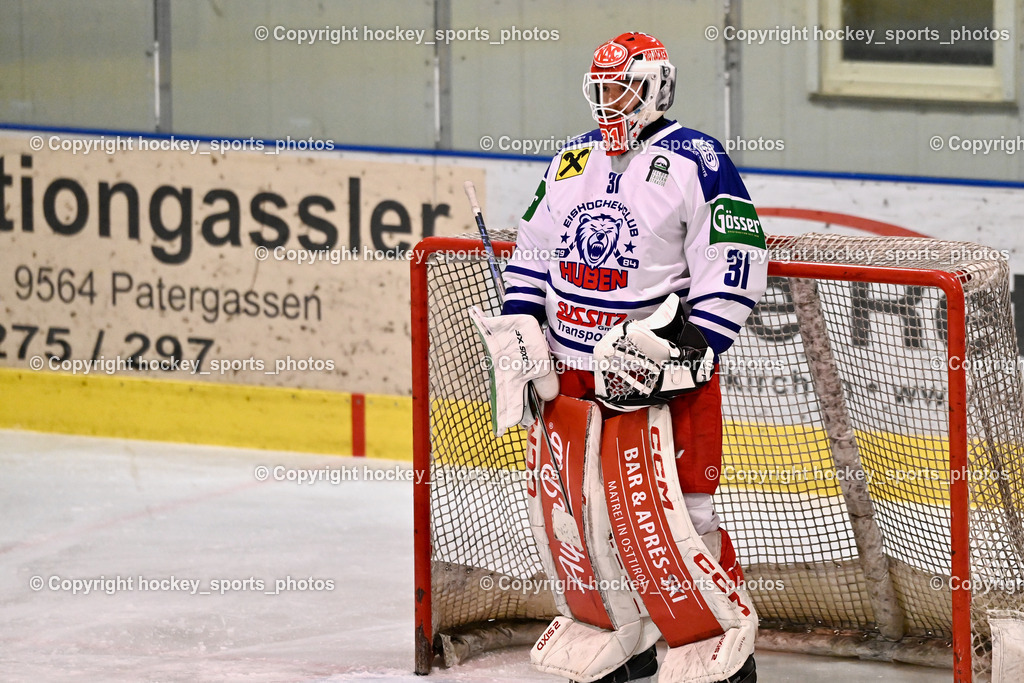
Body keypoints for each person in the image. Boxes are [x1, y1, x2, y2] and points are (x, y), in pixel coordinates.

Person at [488, 31, 767, 683]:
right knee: (585, 515)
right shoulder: (569, 161)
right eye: (601, 91)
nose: (610, 104)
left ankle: (719, 644)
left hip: (660, 375)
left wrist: (696, 343)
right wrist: (525, 321)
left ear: (657, 89)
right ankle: (624, 631)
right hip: (572, 377)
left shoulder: (698, 157)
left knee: (680, 514)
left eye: (624, 90)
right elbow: (532, 250)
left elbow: (734, 253)